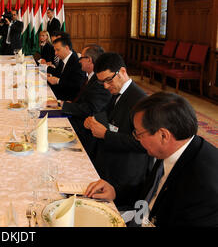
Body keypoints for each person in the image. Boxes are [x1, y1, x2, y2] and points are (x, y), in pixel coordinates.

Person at [85, 92, 218, 227]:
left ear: (163, 135)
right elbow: (151, 190)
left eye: (139, 134)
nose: (137, 139)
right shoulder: (172, 148)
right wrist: (115, 191)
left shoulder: (205, 186)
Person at [83, 52, 151, 207]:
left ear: (122, 72)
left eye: (108, 80)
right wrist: (93, 120)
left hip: (126, 174)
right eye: (102, 82)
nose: (106, 86)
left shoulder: (140, 100)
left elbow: (143, 144)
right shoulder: (117, 91)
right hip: (110, 160)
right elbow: (109, 116)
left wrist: (106, 134)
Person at [47, 45, 112, 157]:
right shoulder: (91, 77)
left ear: (89, 60)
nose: (79, 61)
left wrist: (61, 104)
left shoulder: (100, 82)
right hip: (78, 117)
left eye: (81, 58)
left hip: (85, 129)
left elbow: (90, 110)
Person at [46, 37, 86, 101]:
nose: (55, 53)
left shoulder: (76, 62)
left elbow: (77, 85)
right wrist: (49, 76)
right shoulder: (63, 58)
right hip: (60, 90)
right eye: (55, 50)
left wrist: (57, 81)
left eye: (58, 50)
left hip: (67, 98)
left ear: (66, 48)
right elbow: (58, 72)